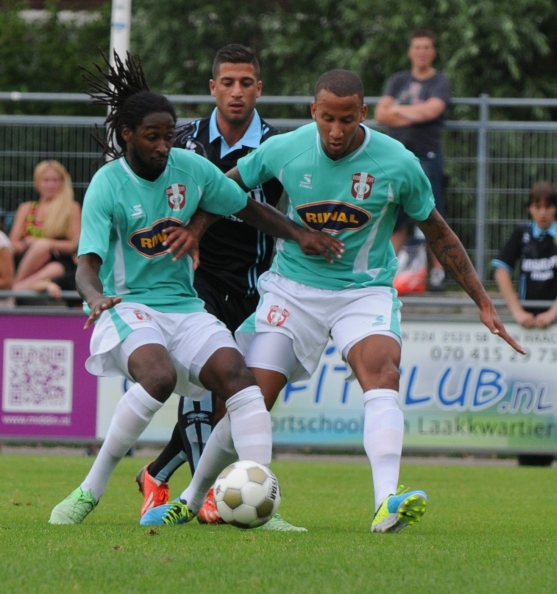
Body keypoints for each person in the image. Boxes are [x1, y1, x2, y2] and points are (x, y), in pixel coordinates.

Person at [142, 69, 524, 533]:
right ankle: (191, 497)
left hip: (363, 292)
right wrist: (195, 231)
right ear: (313, 113)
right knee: (250, 398)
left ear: (363, 113)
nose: (336, 131)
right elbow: (226, 189)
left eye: (347, 119)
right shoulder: (286, 149)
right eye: (327, 119)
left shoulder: (396, 162)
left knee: (383, 372)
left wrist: (482, 301)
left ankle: (386, 501)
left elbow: (438, 231)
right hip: (293, 292)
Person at [48, 51, 342, 525]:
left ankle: (262, 505)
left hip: (186, 307)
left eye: (168, 135)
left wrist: (300, 233)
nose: (165, 146)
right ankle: (90, 489)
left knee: (241, 382)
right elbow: (86, 263)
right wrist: (95, 297)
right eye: (153, 137)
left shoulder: (190, 167)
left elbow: (247, 207)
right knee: (159, 377)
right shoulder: (107, 184)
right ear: (127, 135)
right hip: (129, 305)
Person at [132, 45, 302, 532]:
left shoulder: (275, 146)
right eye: (227, 82)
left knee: (237, 402)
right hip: (191, 282)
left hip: (254, 287)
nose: (236, 91)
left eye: (246, 82)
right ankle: (207, 498)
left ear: (259, 89)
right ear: (212, 88)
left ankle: (158, 473)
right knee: (202, 398)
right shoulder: (182, 143)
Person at [374, 29, 451, 292]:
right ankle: (390, 274)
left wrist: (398, 110)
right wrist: (413, 114)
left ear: (433, 51)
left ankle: (438, 273)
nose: (422, 52)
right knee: (394, 215)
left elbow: (433, 110)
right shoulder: (398, 80)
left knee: (432, 214)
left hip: (426, 157)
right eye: (417, 47)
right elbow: (381, 114)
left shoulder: (440, 81)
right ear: (410, 51)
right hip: (395, 157)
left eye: (427, 47)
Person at [492, 181, 557, 330]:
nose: (543, 212)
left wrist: (553, 313)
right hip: (526, 322)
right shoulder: (521, 231)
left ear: (556, 208)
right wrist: (517, 311)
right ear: (529, 208)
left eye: (548, 207)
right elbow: (501, 271)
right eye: (537, 207)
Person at [8, 160, 81, 293]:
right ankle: (15, 288)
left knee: (52, 262)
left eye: (55, 180)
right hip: (25, 260)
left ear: (62, 183)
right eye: (46, 180)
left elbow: (74, 245)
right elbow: (13, 242)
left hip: (59, 261)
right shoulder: (26, 208)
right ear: (38, 183)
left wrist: (45, 243)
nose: (51, 184)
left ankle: (11, 291)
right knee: (40, 247)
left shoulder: (71, 208)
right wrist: (28, 244)